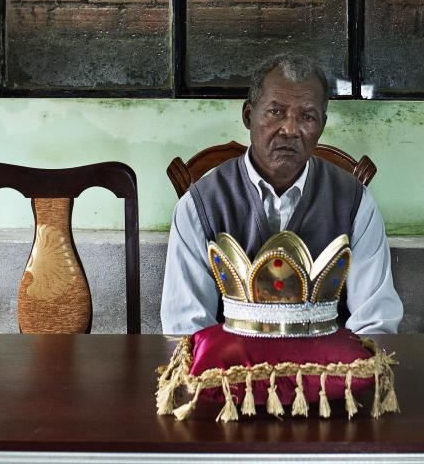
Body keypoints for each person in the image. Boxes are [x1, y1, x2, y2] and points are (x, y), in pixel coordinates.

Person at [160, 54, 403, 334]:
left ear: (322, 125)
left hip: (327, 371)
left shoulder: (354, 203)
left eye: (307, 116)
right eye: (276, 112)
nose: (290, 129)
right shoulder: (200, 204)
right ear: (249, 115)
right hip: (231, 370)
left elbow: (375, 322)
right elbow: (186, 329)